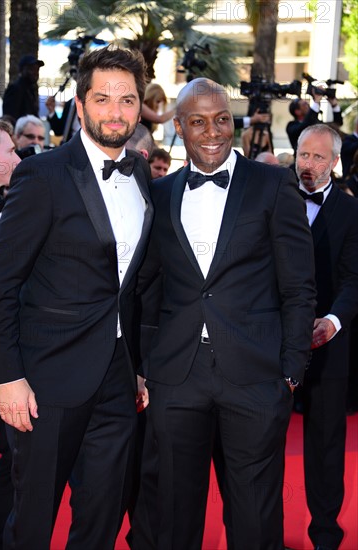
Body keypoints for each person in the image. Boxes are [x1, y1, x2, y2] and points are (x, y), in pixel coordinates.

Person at [135, 77, 316, 549]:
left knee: (255, 514)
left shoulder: (274, 184)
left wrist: (291, 369)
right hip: (176, 376)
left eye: (222, 120)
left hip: (256, 376)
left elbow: (299, 285)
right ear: (179, 127)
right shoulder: (160, 193)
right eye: (198, 122)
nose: (213, 132)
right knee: (173, 512)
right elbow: (148, 290)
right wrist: (146, 366)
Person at [0, 45, 153, 550]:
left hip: (118, 379)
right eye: (102, 98)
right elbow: (0, 284)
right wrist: (7, 375)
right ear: (80, 106)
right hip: (46, 379)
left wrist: (139, 363)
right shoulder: (42, 175)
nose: (116, 111)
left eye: (127, 100)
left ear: (140, 106)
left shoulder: (144, 174)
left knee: (101, 515)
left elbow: (135, 282)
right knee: (34, 519)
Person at [295, 124, 358, 550]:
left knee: (325, 445)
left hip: (329, 345)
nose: (309, 166)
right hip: (272, 344)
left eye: (319, 158)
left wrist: (333, 321)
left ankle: (325, 537)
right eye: (303, 155)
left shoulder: (353, 213)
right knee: (258, 445)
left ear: (335, 162)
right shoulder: (274, 198)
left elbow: (355, 277)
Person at [0, 118, 21, 550]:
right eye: (9, 151)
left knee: (18, 454)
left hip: (7, 356)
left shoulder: (18, 207)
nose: (17, 158)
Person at [286, 92, 342, 156]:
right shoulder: (291, 126)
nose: (309, 106)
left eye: (308, 103)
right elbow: (306, 126)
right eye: (305, 104)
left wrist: (334, 105)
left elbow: (336, 125)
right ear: (297, 112)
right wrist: (316, 102)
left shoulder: (316, 123)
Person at [2, 55, 44, 122]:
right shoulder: (15, 89)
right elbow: (9, 118)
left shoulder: (31, 90)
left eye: (37, 69)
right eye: (31, 69)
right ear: (22, 70)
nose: (35, 73)